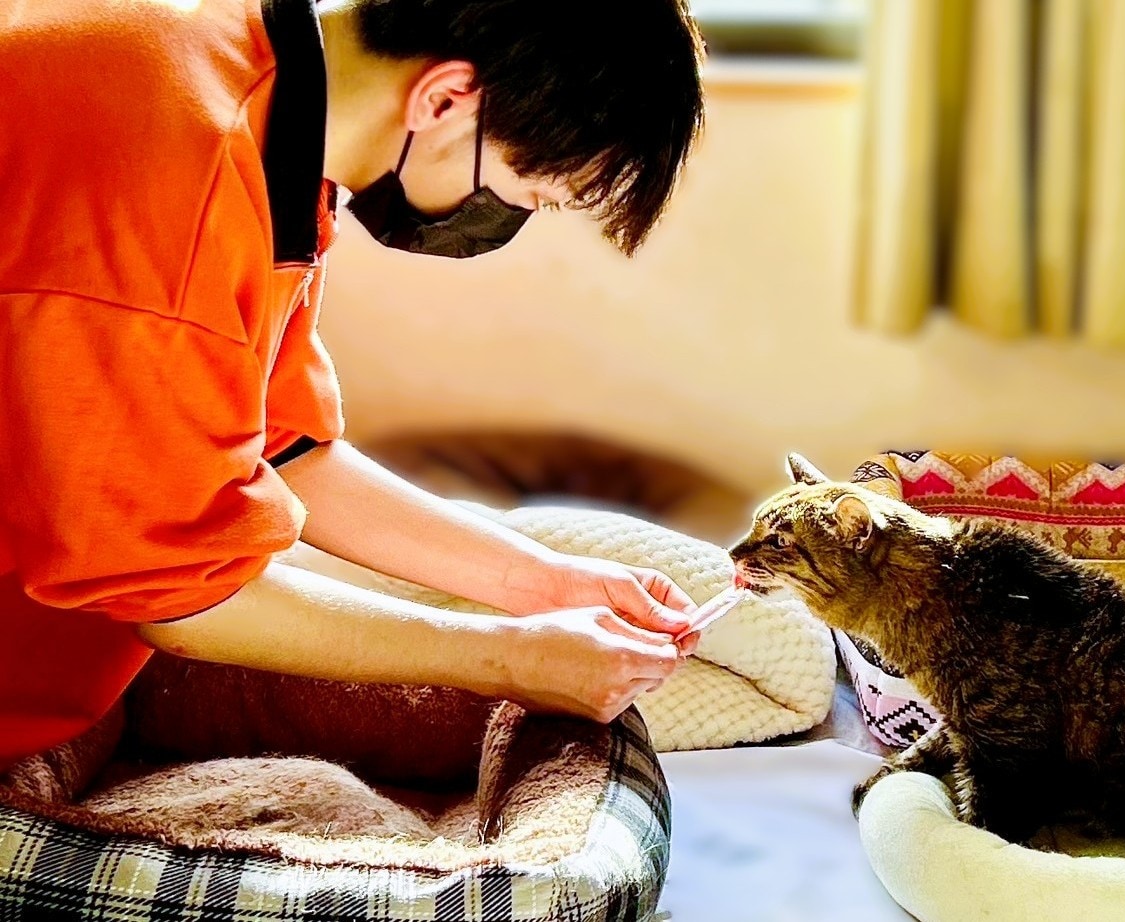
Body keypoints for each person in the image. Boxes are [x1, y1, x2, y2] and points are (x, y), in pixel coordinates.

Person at [0, 0, 708, 768]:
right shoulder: (180, 163)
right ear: (445, 99)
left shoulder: (257, 97)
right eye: (532, 192)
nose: (514, 217)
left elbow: (284, 447)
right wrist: (512, 660)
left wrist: (543, 583)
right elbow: (173, 591)